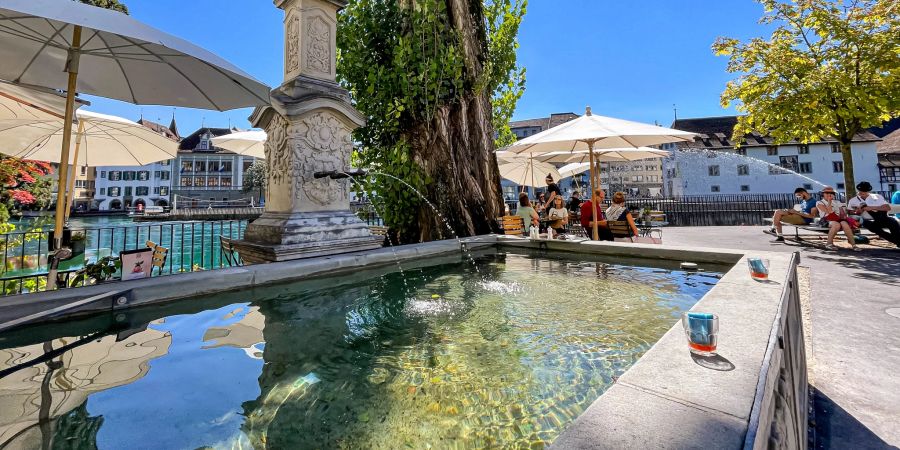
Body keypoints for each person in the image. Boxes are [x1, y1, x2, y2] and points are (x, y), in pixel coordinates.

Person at [847, 181, 900, 247]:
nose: (862, 193)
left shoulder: (877, 197)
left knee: (893, 222)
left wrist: (871, 208)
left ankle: (898, 242)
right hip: (866, 220)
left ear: (868, 191)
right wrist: (858, 211)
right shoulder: (853, 200)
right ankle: (898, 242)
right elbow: (849, 212)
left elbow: (887, 207)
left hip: (882, 217)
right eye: (860, 191)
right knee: (875, 228)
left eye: (864, 191)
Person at [815, 186, 860, 251]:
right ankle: (829, 243)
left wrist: (843, 217)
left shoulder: (837, 202)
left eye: (831, 193)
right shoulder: (819, 202)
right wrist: (829, 202)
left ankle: (853, 244)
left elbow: (842, 213)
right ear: (823, 194)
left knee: (844, 223)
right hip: (826, 220)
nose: (829, 194)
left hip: (837, 218)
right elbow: (829, 212)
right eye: (827, 193)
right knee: (836, 224)